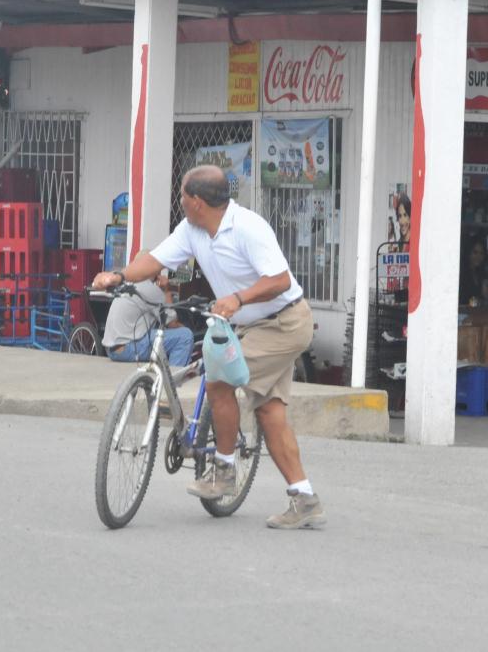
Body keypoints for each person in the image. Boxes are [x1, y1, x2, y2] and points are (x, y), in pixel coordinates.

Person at [93, 165, 322, 530]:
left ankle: (224, 471)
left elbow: (279, 280)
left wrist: (238, 298)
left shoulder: (248, 227)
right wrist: (118, 276)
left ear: (196, 201)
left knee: (218, 381)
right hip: (250, 325)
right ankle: (304, 497)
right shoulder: (192, 229)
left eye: (182, 194)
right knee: (269, 412)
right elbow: (155, 259)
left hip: (283, 324)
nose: (180, 200)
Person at [103, 261, 194, 368]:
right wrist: (166, 290)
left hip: (111, 350)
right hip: (128, 349)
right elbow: (172, 323)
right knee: (185, 336)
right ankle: (172, 381)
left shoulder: (127, 284)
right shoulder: (150, 289)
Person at [459, 236, 488, 306]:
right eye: (475, 252)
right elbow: (462, 301)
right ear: (468, 253)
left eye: (481, 253)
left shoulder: (478, 273)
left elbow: (484, 296)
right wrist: (480, 302)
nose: (479, 256)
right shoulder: (461, 273)